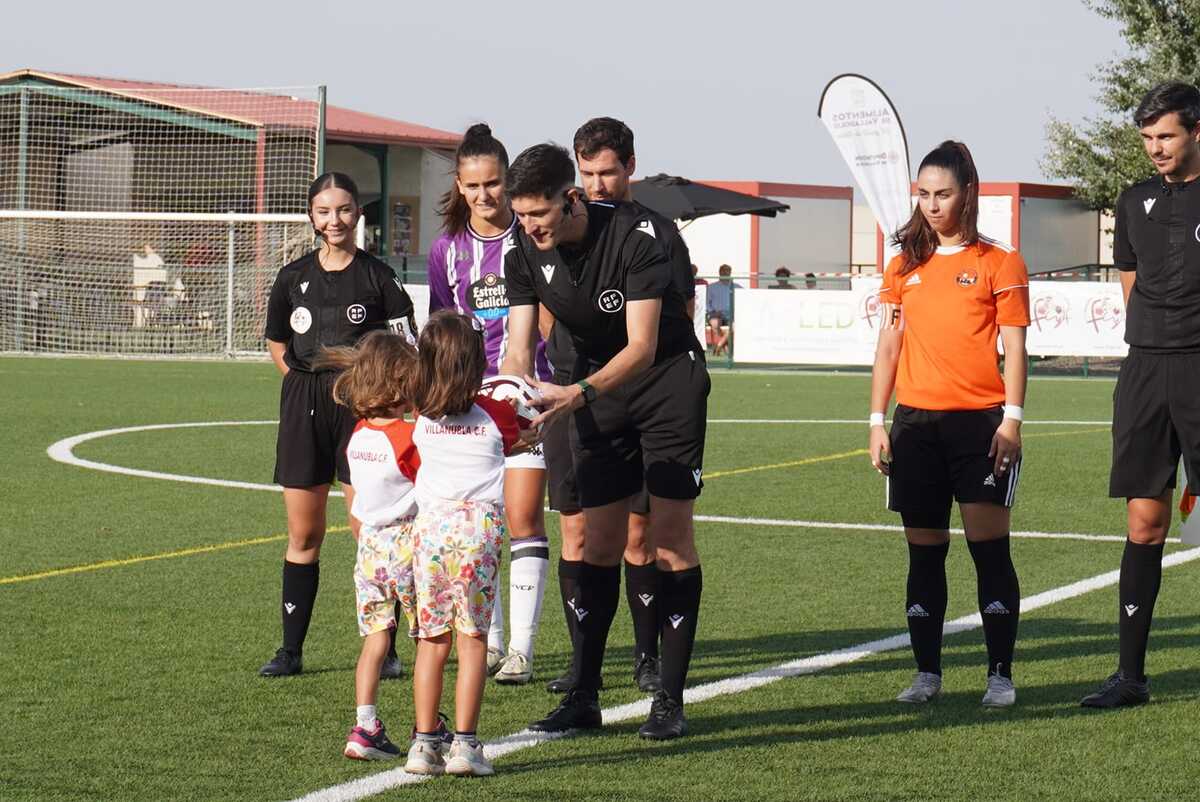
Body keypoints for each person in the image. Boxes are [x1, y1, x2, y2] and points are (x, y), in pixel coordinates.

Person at [499, 143, 708, 740]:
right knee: (596, 542)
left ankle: (669, 699)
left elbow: (641, 346)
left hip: (665, 384)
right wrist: (513, 402)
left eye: (539, 213)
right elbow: (519, 346)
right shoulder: (523, 251)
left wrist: (573, 395)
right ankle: (584, 696)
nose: (530, 226)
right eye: (522, 215)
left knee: (668, 540)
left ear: (571, 198)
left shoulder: (639, 235)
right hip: (595, 391)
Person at [535, 116, 697, 696]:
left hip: (651, 390)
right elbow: (550, 314)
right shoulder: (543, 241)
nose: (599, 183)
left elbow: (650, 337)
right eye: (588, 173)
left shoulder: (652, 236)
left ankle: (655, 671)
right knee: (586, 536)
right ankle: (585, 682)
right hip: (581, 394)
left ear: (630, 166)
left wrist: (583, 386)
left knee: (653, 536)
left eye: (608, 171)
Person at [867, 140, 1030, 708]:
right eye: (924, 194)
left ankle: (1000, 676)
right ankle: (927, 675)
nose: (932, 205)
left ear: (967, 194)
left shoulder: (999, 261)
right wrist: (876, 420)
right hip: (914, 428)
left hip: (980, 429)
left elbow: (1015, 348)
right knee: (924, 552)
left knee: (989, 552)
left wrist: (1011, 421)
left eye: (943, 193)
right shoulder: (902, 266)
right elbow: (888, 347)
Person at [259, 172, 417, 678]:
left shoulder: (379, 277)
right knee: (303, 533)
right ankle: (290, 650)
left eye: (345, 210)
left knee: (367, 530)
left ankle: (385, 649)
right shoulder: (291, 277)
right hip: (304, 404)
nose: (335, 220)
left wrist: (371, 393)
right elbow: (278, 343)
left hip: (362, 410)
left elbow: (406, 345)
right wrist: (302, 386)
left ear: (358, 214)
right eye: (325, 211)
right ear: (312, 215)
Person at [1081, 81, 1200, 709]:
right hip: (1146, 372)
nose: (1156, 148)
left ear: (1196, 132)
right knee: (1145, 520)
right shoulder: (1134, 200)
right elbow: (1132, 282)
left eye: (1167, 136)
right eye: (1148, 138)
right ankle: (1131, 677)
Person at [427, 124, 553, 686]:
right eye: (473, 185)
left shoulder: (531, 237)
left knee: (524, 517)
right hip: (470, 408)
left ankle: (521, 650)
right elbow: (438, 329)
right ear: (458, 184)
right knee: (481, 520)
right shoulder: (445, 251)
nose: (485, 195)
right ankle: (490, 639)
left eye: (494, 183)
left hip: (531, 398)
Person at [402, 310, 535, 777]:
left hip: (431, 532)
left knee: (431, 641)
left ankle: (422, 743)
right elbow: (518, 436)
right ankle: (465, 744)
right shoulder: (497, 414)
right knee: (473, 639)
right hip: (478, 532)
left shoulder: (420, 410)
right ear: (477, 364)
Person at [314, 332, 421, 761]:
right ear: (398, 385)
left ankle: (365, 725)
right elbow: (429, 484)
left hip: (370, 549)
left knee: (376, 641)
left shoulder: (358, 436)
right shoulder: (409, 438)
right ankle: (429, 724)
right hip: (408, 544)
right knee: (428, 639)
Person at [706, 264, 738, 355]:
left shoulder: (736, 287)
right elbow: (707, 303)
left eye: (727, 271)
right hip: (716, 314)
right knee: (715, 324)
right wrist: (713, 311)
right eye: (723, 271)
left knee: (735, 326)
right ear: (719, 272)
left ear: (730, 273)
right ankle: (726, 346)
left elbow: (743, 299)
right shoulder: (712, 287)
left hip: (732, 315)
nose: (725, 273)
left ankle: (719, 345)